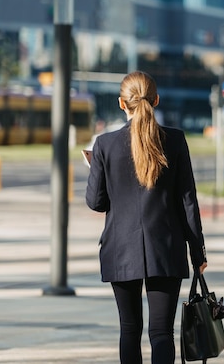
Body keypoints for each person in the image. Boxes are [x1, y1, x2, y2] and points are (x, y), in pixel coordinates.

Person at [85, 71, 208, 364]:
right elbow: (188, 201)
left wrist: (95, 170)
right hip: (165, 249)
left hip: (120, 249)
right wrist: (197, 252)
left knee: (129, 330)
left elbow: (96, 202)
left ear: (121, 104)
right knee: (162, 333)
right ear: (156, 100)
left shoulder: (104, 145)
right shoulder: (175, 141)